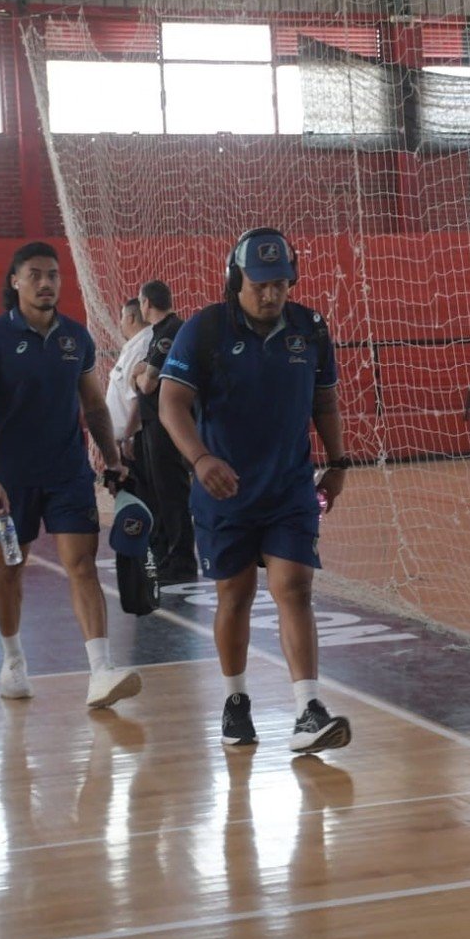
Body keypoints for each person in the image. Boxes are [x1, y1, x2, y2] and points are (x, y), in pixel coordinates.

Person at [158, 228, 352, 753]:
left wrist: (337, 462)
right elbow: (170, 402)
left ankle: (308, 709)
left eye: (281, 284)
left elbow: (326, 401)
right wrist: (200, 458)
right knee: (235, 596)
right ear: (235, 279)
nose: (271, 295)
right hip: (224, 489)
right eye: (260, 284)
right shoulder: (205, 330)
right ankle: (235, 698)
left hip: (289, 485)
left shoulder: (310, 328)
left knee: (294, 587)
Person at [0, 241, 140, 710]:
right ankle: (13, 658)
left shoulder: (75, 338)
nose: (46, 283)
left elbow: (95, 404)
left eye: (53, 275)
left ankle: (100, 670)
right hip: (9, 479)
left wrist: (112, 457)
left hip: (67, 472)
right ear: (15, 281)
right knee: (9, 569)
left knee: (81, 565)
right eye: (35, 274)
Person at [132, 280, 194, 582]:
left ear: (146, 304)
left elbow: (147, 383)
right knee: (158, 490)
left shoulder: (170, 331)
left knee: (172, 490)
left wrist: (139, 375)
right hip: (153, 423)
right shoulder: (160, 333)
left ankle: (181, 560)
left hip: (166, 423)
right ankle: (167, 554)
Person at [104, 298, 148, 448]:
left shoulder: (141, 348)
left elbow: (138, 398)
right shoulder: (134, 347)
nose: (120, 323)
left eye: (122, 317)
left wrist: (128, 436)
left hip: (133, 442)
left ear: (130, 318)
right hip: (126, 440)